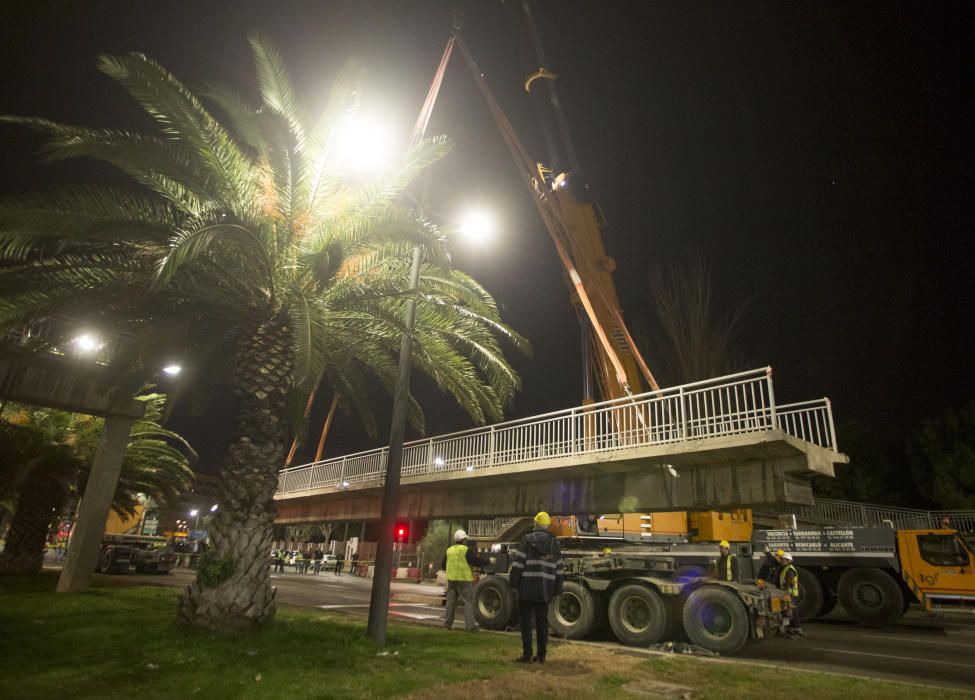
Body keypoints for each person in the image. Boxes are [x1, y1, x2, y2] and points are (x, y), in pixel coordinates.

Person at [510, 511, 564, 664]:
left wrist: (513, 583)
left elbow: (519, 564)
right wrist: (557, 589)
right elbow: (559, 568)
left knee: (526, 623)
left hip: (526, 587)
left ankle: (527, 655)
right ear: (547, 525)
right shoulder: (555, 543)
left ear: (535, 524)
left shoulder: (527, 540)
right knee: (542, 623)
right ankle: (541, 656)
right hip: (545, 588)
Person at [442, 529, 487, 632]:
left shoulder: (449, 550)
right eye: (465, 539)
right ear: (463, 540)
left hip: (452, 580)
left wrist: (451, 571)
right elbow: (474, 561)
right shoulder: (465, 550)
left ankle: (447, 626)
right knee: (468, 602)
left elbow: (443, 565)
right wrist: (487, 561)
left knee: (450, 602)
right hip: (464, 580)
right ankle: (470, 627)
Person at [778, 552, 802, 637]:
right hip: (789, 593)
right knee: (788, 611)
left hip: (790, 594)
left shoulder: (789, 570)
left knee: (792, 611)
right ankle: (791, 628)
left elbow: (789, 583)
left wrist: (786, 592)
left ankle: (796, 628)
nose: (781, 561)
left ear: (787, 560)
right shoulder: (786, 568)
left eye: (782, 559)